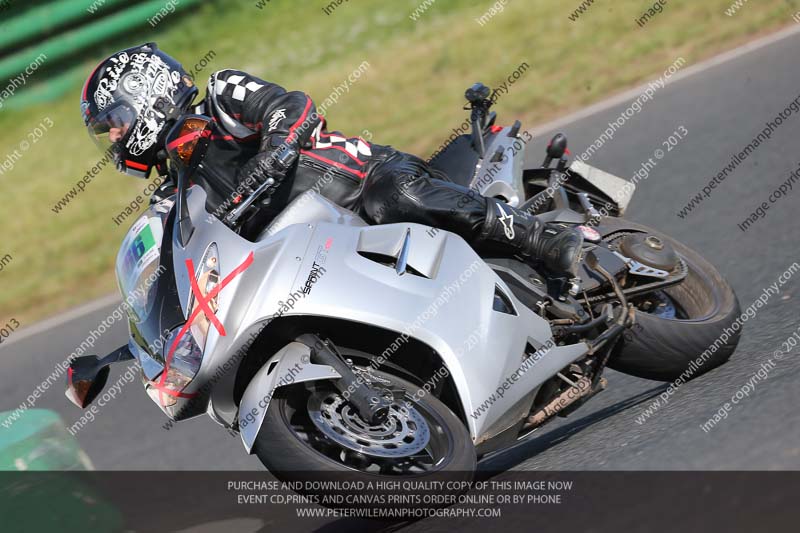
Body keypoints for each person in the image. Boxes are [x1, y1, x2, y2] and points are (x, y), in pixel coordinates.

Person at [81, 43, 582, 277]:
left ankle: (541, 237)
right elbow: (176, 261)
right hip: (323, 252)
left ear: (143, 94)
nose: (115, 137)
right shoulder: (177, 193)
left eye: (115, 122)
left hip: (367, 183)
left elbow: (290, 107)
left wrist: (275, 151)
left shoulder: (220, 97)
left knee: (395, 196)